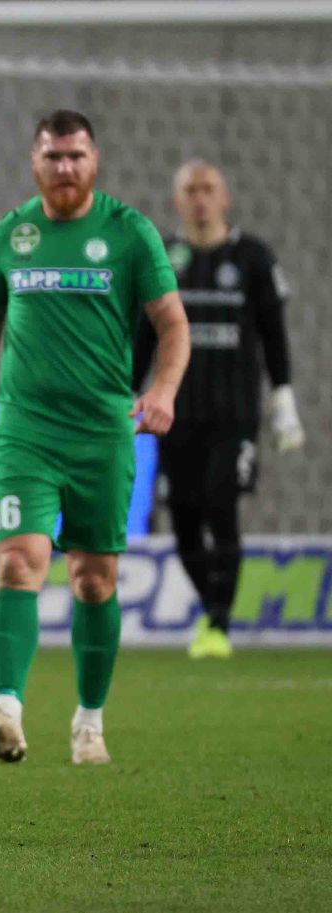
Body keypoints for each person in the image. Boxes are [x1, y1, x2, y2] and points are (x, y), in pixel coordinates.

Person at [0, 110, 190, 766]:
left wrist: (163, 391)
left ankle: (89, 722)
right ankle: (6, 708)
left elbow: (173, 324)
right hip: (24, 431)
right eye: (52, 156)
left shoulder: (128, 232)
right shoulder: (10, 235)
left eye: (76, 156)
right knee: (17, 561)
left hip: (102, 434)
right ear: (34, 161)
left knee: (93, 579)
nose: (64, 167)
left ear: (94, 161)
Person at [133, 159, 304, 660]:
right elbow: (144, 338)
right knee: (183, 519)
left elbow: (274, 335)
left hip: (235, 414)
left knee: (220, 503)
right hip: (174, 413)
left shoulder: (253, 258)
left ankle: (218, 625)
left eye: (209, 188)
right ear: (177, 201)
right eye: (191, 189)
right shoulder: (162, 260)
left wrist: (284, 400)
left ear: (225, 198)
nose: (201, 198)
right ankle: (213, 608)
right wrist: (124, 395)